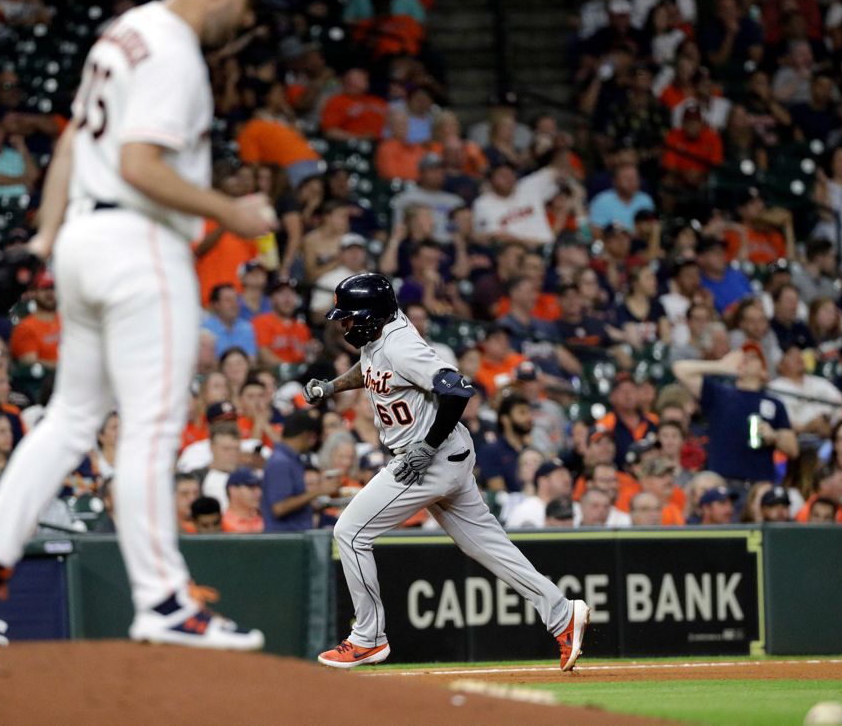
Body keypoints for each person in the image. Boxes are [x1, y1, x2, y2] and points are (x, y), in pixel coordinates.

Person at [0, 0, 276, 652]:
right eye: (246, 3)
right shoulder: (176, 50)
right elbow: (138, 164)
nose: (245, 21)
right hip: (140, 248)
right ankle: (162, 599)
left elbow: (71, 144)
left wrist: (41, 239)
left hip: (80, 244)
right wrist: (233, 212)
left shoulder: (119, 35)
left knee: (70, 419)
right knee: (153, 429)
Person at [303, 273, 589, 670]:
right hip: (446, 453)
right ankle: (561, 613)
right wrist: (333, 387)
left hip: (429, 459)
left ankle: (368, 638)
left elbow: (457, 389)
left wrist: (426, 446)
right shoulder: (381, 335)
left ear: (370, 315)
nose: (345, 325)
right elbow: (371, 370)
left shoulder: (401, 346)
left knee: (349, 532)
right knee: (485, 545)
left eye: (349, 318)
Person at [673, 345, 798, 491]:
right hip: (722, 484)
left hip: (758, 486)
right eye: (743, 356)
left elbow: (793, 449)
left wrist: (774, 436)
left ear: (764, 372)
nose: (745, 359)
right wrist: (720, 366)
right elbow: (680, 369)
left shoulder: (774, 403)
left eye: (753, 357)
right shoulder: (719, 393)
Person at [260, 410, 330, 531]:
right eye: (313, 437)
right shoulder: (280, 462)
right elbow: (279, 508)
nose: (313, 442)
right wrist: (319, 490)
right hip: (284, 541)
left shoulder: (291, 459)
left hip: (292, 537)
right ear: (305, 435)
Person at [252, 277, 313, 367]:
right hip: (272, 374)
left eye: (292, 293)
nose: (287, 298)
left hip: (299, 375)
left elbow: (306, 358)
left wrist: (312, 354)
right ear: (272, 298)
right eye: (282, 293)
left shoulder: (302, 327)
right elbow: (263, 354)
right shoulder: (261, 322)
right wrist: (288, 369)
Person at [9, 271, 61, 368]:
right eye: (44, 288)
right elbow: (30, 363)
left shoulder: (66, 320)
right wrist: (65, 367)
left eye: (53, 288)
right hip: (46, 381)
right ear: (34, 292)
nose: (50, 293)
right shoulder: (25, 327)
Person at [221, 467, 264, 533]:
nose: (259, 492)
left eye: (259, 487)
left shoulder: (265, 521)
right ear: (233, 490)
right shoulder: (219, 524)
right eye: (251, 487)